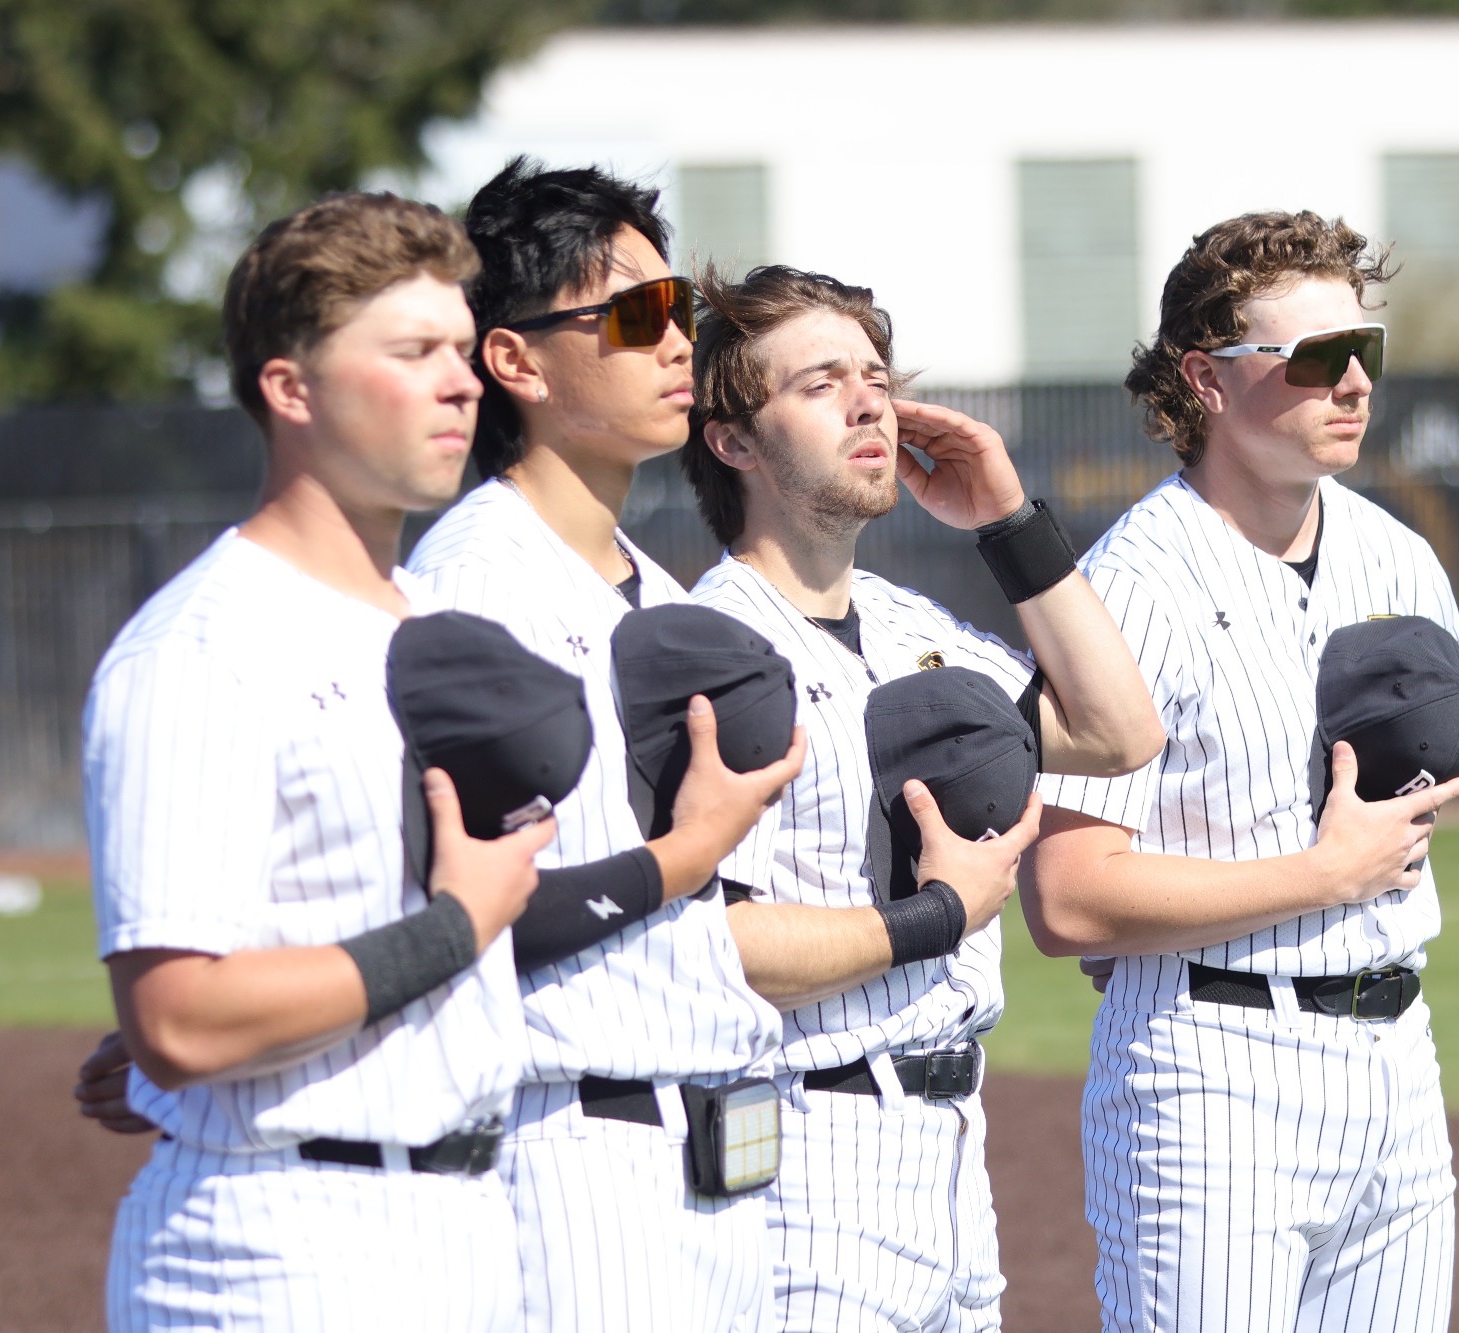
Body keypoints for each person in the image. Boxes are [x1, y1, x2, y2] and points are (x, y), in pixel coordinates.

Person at [84, 192, 558, 1331]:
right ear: (289, 388)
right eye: (413, 352)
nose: (463, 380)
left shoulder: (436, 621)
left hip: (470, 1229)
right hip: (279, 1250)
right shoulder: (201, 647)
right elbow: (181, 1020)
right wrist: (454, 926)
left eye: (460, 347)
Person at [680, 265, 1165, 1330]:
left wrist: (1004, 519)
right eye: (819, 384)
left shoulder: (911, 625)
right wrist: (930, 916)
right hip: (801, 1159)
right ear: (732, 441)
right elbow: (713, 945)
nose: (870, 402)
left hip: (948, 1153)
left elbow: (1116, 734)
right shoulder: (706, 646)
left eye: (873, 376)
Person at [1024, 212, 1459, 1333]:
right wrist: (1320, 876)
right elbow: (1066, 898)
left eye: (1363, 348)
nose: (1351, 381)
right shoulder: (1133, 583)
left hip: (1393, 1063)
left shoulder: (1394, 554)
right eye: (1312, 358)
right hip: (1211, 1070)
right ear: (1205, 381)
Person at [404, 159, 805, 1332]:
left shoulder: (654, 583)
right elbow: (471, 911)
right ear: (513, 361)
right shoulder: (475, 582)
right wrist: (689, 854)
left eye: (677, 307)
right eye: (633, 315)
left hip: (707, 1146)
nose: (676, 340)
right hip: (571, 1150)